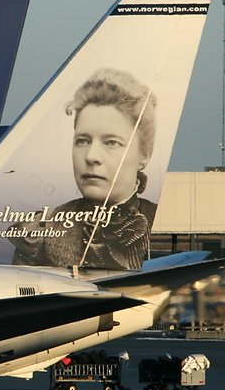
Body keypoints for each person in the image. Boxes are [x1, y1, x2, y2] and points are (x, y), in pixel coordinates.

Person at [10, 67, 157, 271]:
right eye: (82, 141)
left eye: (111, 143)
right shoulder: (44, 229)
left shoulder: (157, 219)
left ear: (144, 155)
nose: (91, 156)